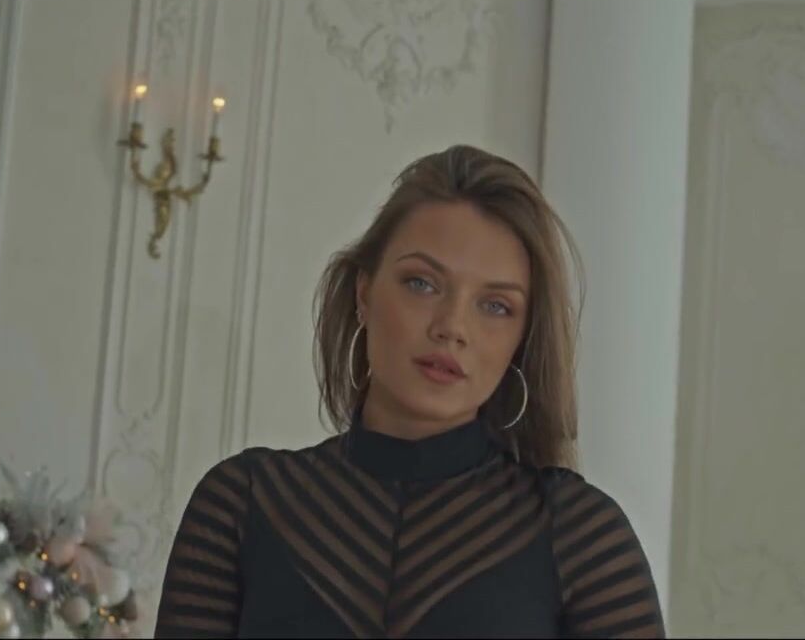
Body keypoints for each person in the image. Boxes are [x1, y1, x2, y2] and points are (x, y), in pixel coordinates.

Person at [154, 145, 666, 638]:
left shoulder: (582, 536)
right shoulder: (242, 503)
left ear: (522, 339)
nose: (452, 327)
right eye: (422, 283)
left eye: (495, 306)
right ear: (364, 293)